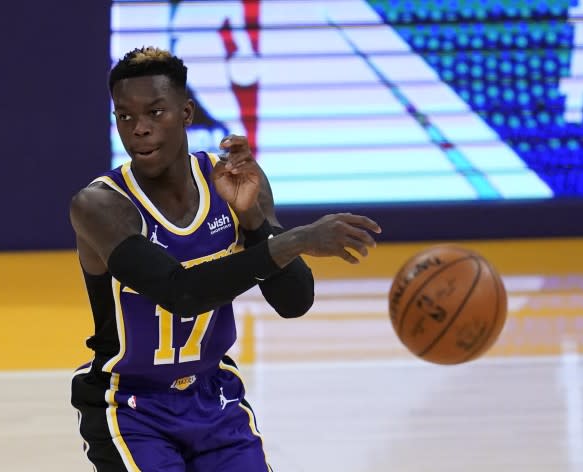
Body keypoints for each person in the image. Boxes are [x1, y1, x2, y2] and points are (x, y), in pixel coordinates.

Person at [68, 46, 382, 472]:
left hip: (213, 395)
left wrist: (254, 220)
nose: (139, 129)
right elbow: (181, 292)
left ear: (186, 113)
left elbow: (294, 302)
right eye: (125, 116)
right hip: (131, 405)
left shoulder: (232, 181)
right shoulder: (100, 206)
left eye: (155, 113)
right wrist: (297, 239)